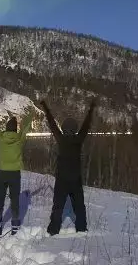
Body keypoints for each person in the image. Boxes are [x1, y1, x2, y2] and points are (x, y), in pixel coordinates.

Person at [39, 98, 96, 236]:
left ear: (64, 129)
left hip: (62, 179)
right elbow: (86, 126)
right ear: (75, 129)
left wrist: (45, 107)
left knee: (58, 206)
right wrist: (91, 109)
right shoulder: (78, 140)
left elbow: (52, 123)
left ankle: (53, 230)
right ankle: (81, 230)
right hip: (75, 179)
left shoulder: (61, 139)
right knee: (79, 207)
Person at [0, 108, 32, 237]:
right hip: (14, 174)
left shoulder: (1, 137)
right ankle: (15, 227)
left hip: (2, 173)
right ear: (15, 129)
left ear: (6, 128)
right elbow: (26, 127)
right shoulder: (19, 139)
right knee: (15, 200)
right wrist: (30, 115)